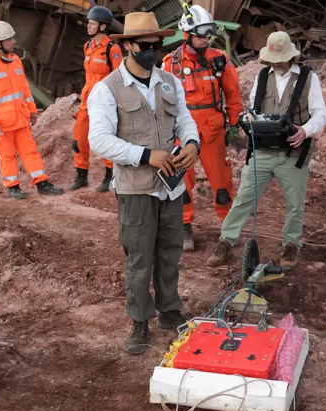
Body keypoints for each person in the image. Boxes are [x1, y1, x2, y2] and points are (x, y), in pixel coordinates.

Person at [87, 12, 200, 354]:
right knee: (140, 257)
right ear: (128, 47)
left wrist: (192, 143)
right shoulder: (106, 90)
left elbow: (185, 119)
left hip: (172, 187)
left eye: (157, 44)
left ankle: (169, 310)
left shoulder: (169, 81)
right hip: (136, 189)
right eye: (146, 46)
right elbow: (100, 140)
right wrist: (144, 154)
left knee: (170, 251)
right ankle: (139, 320)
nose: (153, 51)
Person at [206, 31, 326, 269]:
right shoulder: (262, 76)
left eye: (281, 57)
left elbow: (321, 114)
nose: (278, 62)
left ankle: (291, 245)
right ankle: (226, 241)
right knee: (243, 198)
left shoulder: (308, 78)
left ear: (291, 55)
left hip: (292, 155)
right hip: (262, 152)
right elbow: (254, 108)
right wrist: (248, 121)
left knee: (295, 203)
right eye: (274, 59)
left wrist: (304, 130)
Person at [161, 5, 242, 252]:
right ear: (186, 34)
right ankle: (184, 227)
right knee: (180, 184)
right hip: (181, 134)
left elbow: (233, 94)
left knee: (222, 187)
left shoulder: (219, 59)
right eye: (200, 35)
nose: (205, 40)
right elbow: (162, 101)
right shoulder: (170, 64)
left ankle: (228, 230)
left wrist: (235, 125)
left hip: (213, 132)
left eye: (208, 35)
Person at [0, 21, 64, 198]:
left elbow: (24, 89)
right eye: (8, 39)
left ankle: (42, 183)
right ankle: (12, 187)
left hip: (21, 119)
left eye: (12, 38)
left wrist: (32, 110)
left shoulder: (16, 61)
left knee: (31, 152)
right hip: (2, 124)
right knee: (7, 156)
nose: (13, 42)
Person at [70, 6, 124, 192]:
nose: (88, 26)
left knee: (105, 137)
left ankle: (110, 177)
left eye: (91, 23)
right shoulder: (88, 46)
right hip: (87, 100)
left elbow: (119, 77)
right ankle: (81, 176)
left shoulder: (112, 48)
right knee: (79, 139)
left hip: (104, 101)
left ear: (102, 26)